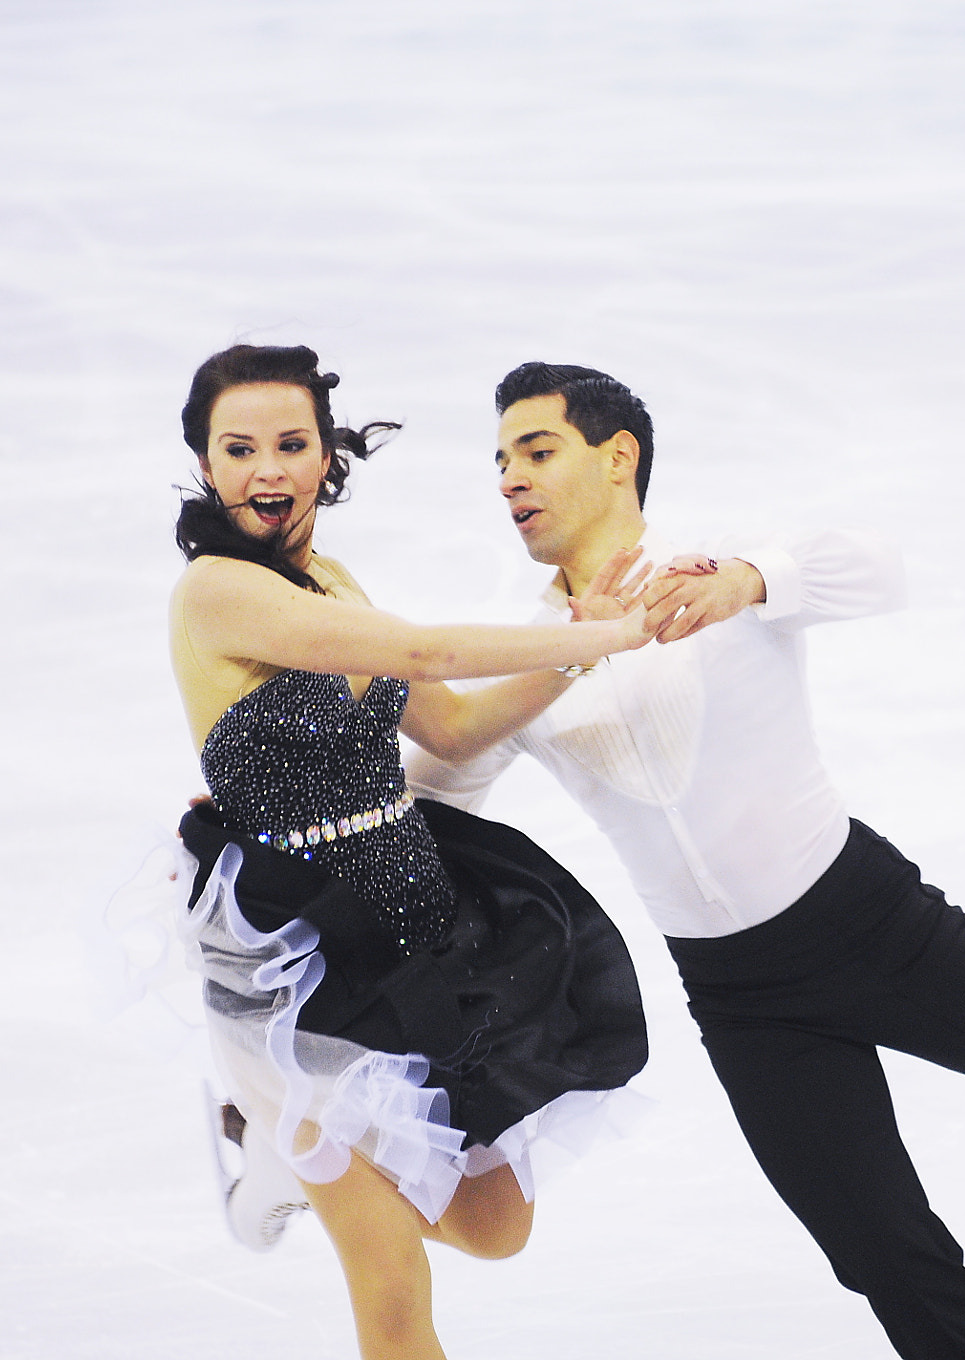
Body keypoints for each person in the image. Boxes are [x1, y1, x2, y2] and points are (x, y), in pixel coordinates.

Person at [404, 361, 965, 1360]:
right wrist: (291, 808)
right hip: (742, 998)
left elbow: (874, 567)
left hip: (870, 928)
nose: (509, 480)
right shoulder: (526, 653)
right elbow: (436, 783)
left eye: (535, 451)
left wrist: (748, 582)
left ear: (619, 458)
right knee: (884, 1254)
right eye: (499, 462)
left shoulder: (715, 566)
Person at [167, 344, 658, 1360]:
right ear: (205, 462)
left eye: (290, 444)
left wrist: (574, 650)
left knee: (493, 1223)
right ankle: (276, 1118)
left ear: (325, 457)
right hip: (296, 961)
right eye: (239, 447)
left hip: (411, 918)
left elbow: (453, 726)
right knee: (390, 1281)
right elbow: (425, 651)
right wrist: (589, 633)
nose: (267, 469)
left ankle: (270, 1145)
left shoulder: (332, 579)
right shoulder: (215, 592)